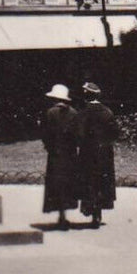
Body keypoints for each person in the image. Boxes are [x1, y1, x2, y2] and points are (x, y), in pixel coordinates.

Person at [40, 84, 81, 229]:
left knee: (56, 184)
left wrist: (49, 147)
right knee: (67, 184)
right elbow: (77, 135)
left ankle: (61, 215)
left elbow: (45, 134)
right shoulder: (74, 113)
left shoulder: (50, 113)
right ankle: (64, 215)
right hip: (70, 155)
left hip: (56, 154)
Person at [77, 82, 117, 226]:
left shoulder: (83, 113)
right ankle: (98, 211)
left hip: (88, 153)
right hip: (104, 153)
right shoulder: (107, 112)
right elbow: (114, 134)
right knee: (101, 181)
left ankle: (92, 210)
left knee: (90, 181)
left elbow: (79, 134)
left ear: (87, 95)